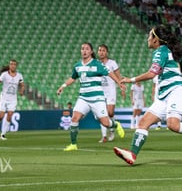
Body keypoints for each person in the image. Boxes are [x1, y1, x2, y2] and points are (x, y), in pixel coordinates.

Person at [114, 25, 182, 165]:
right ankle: (132, 154)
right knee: (144, 122)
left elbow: (152, 74)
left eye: (150, 35)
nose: (148, 38)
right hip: (164, 95)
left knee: (173, 125)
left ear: (156, 39)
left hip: (175, 90)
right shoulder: (166, 51)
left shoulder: (160, 51)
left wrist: (130, 79)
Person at [57, 42, 126, 151]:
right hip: (83, 98)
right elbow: (73, 78)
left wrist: (119, 83)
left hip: (97, 98)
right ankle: (73, 144)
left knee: (106, 123)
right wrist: (63, 86)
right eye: (82, 48)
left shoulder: (97, 64)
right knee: (75, 117)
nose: (84, 51)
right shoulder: (77, 66)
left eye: (87, 49)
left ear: (91, 52)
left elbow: (109, 72)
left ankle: (116, 125)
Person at [0, 59, 25, 140]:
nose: (13, 66)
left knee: (10, 114)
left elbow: (22, 85)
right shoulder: (4, 74)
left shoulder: (19, 75)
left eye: (14, 64)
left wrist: (22, 91)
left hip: (13, 99)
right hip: (4, 98)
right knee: (1, 116)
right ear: (9, 66)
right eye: (11, 64)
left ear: (16, 66)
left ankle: (3, 134)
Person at [97, 44, 125, 143]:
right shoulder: (96, 63)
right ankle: (104, 136)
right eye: (99, 50)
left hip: (111, 91)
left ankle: (112, 130)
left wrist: (122, 88)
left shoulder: (112, 63)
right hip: (100, 92)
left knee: (110, 113)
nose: (101, 52)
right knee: (102, 113)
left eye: (103, 50)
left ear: (107, 52)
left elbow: (118, 76)